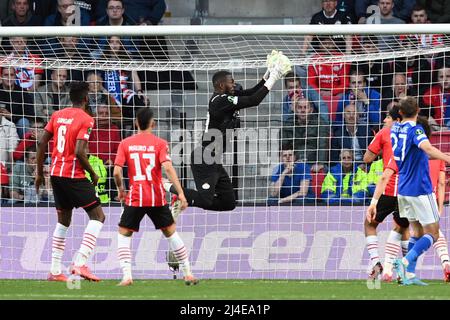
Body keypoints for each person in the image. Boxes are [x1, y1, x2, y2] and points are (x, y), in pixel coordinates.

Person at [164, 59, 289, 215]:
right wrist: (275, 77)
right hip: (204, 158)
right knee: (205, 200)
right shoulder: (220, 100)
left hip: (213, 160)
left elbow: (250, 93)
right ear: (222, 85)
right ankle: (169, 187)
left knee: (228, 203)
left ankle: (182, 196)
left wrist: (267, 76)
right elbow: (254, 100)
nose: (234, 84)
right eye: (231, 82)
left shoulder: (226, 97)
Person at [367, 96, 450, 285]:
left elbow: (416, 152)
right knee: (434, 233)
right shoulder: (416, 130)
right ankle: (404, 261)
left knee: (417, 232)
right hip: (420, 189)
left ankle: (410, 275)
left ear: (400, 113)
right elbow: (427, 148)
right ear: (419, 110)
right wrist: (447, 158)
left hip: (402, 190)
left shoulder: (394, 130)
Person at [113, 107, 197, 286]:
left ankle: (127, 276)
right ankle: (188, 273)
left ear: (136, 123)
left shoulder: (125, 143)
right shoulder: (160, 143)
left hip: (136, 197)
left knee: (124, 234)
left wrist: (120, 189)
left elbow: (117, 172)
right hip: (157, 197)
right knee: (170, 233)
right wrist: (181, 193)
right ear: (153, 123)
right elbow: (167, 168)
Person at [35, 81, 106, 282]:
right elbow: (79, 152)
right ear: (86, 98)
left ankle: (55, 270)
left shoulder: (57, 115)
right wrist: (92, 173)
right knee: (98, 216)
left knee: (63, 222)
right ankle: (81, 262)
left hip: (56, 174)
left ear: (70, 97)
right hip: (73, 175)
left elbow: (41, 143)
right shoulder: (86, 119)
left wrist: (40, 173)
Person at [363, 106, 410, 281]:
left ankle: (376, 262)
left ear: (397, 120)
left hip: (389, 188)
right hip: (408, 190)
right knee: (403, 228)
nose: (385, 120)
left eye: (388, 117)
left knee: (369, 224)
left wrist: (381, 146)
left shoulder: (384, 132)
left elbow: (367, 158)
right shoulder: (412, 134)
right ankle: (405, 271)